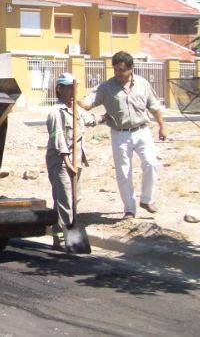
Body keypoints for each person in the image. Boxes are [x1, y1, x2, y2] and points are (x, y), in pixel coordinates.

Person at [79, 51, 166, 219]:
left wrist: (162, 126)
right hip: (120, 134)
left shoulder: (143, 84)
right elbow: (89, 103)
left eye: (121, 70)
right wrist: (75, 98)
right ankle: (129, 209)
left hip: (142, 131)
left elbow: (154, 107)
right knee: (124, 172)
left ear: (131, 69)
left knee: (151, 163)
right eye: (115, 69)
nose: (118, 73)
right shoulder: (107, 87)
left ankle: (146, 199)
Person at [46, 73, 100, 251]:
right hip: (61, 162)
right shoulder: (56, 112)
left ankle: (60, 234)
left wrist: (107, 116)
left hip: (76, 161)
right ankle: (61, 239)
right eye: (68, 87)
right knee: (65, 201)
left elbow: (91, 120)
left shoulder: (76, 110)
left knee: (74, 199)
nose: (71, 91)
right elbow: (58, 139)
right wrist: (67, 162)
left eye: (73, 87)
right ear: (59, 89)